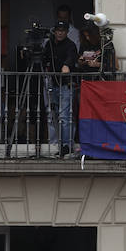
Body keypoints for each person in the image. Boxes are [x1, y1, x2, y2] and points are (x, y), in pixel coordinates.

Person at [51, 20, 79, 156]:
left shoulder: (71, 45)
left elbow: (71, 58)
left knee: (65, 116)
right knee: (55, 116)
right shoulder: (50, 44)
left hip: (66, 85)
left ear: (67, 32)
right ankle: (58, 144)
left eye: (62, 30)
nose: (60, 33)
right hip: (53, 84)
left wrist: (66, 65)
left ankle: (67, 145)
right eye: (58, 30)